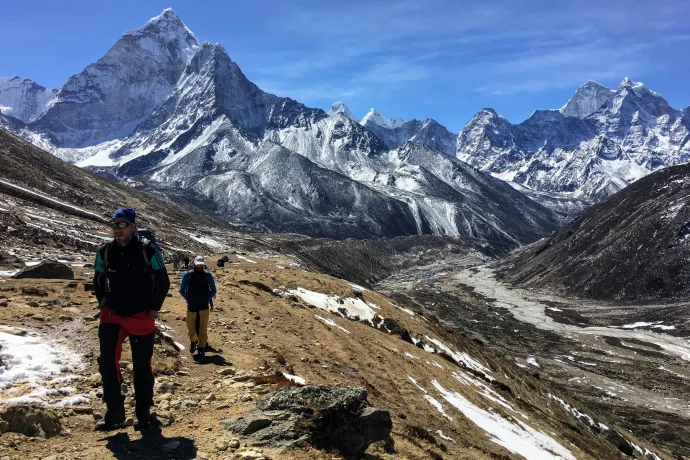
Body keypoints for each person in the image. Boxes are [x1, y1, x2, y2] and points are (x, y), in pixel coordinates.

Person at [93, 208, 170, 431]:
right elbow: (98, 280)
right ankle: (114, 412)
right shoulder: (105, 252)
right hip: (112, 314)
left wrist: (153, 310)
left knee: (142, 365)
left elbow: (162, 282)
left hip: (140, 315)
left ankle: (143, 413)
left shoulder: (149, 251)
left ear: (133, 226)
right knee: (107, 362)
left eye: (122, 224)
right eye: (114, 224)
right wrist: (103, 303)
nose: (117, 229)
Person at [179, 256, 217, 359]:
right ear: (194, 264)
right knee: (191, 328)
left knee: (203, 329)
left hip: (204, 306)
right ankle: (193, 341)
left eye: (201, 264)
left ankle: (201, 348)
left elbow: (214, 290)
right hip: (191, 306)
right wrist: (189, 299)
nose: (199, 266)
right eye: (197, 264)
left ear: (203, 265)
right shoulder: (188, 275)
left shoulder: (208, 276)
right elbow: (182, 289)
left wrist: (206, 298)